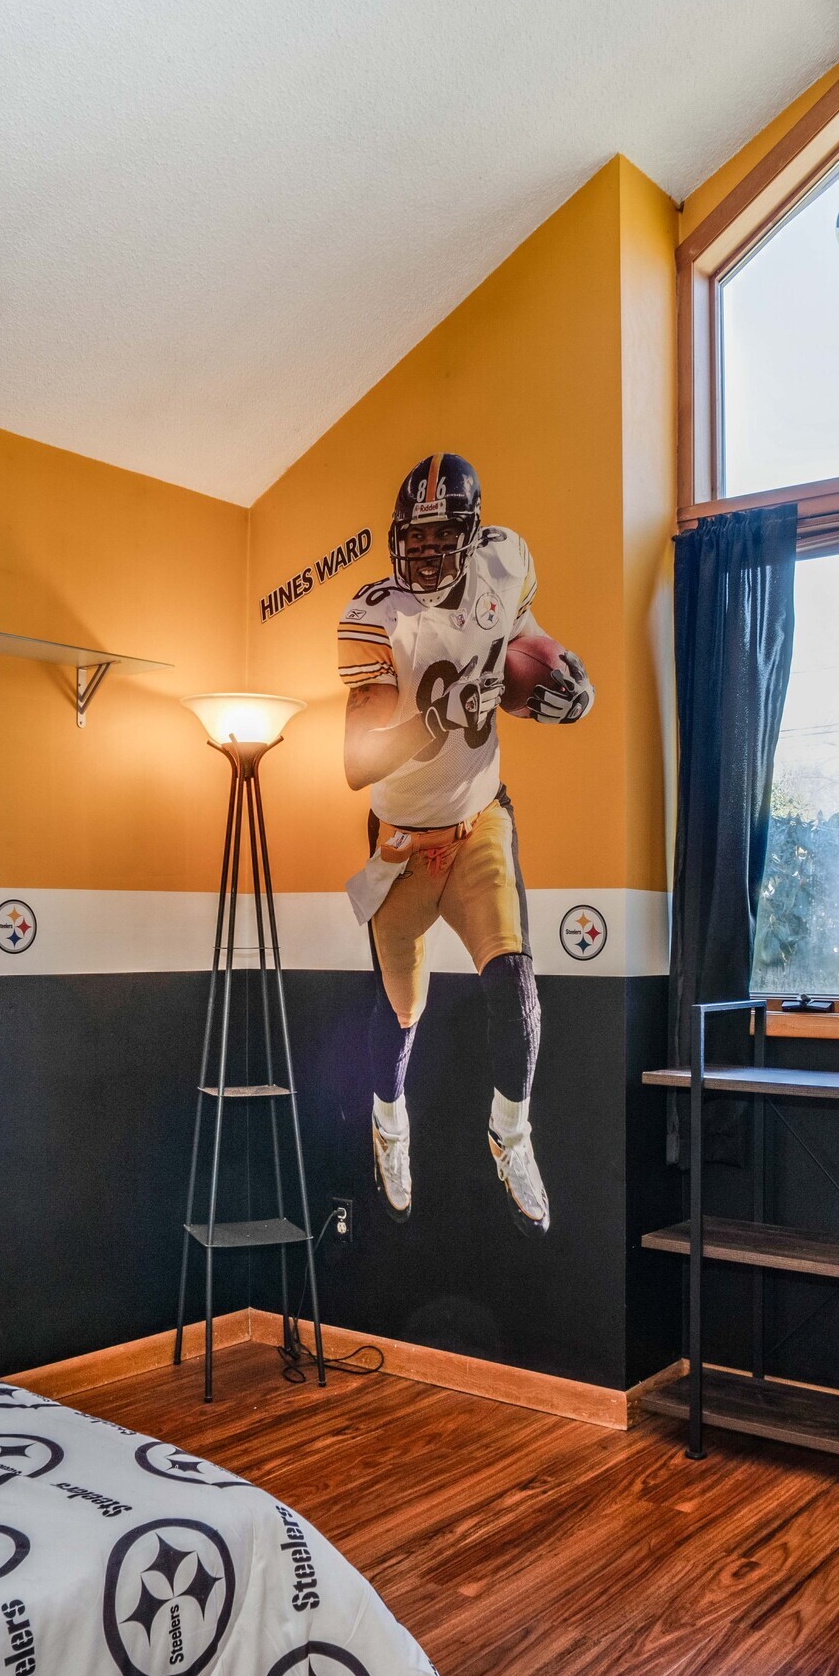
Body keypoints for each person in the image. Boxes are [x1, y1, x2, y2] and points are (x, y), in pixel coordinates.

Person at [336, 453, 594, 1234]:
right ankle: (390, 1122)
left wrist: (557, 677)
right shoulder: (375, 612)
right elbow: (357, 761)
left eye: (441, 537)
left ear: (472, 534)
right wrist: (437, 716)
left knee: (515, 985)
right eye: (413, 539)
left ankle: (511, 1133)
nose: (424, 553)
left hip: (480, 817)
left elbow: (522, 638)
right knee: (402, 1007)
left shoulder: (504, 562)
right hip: (402, 842)